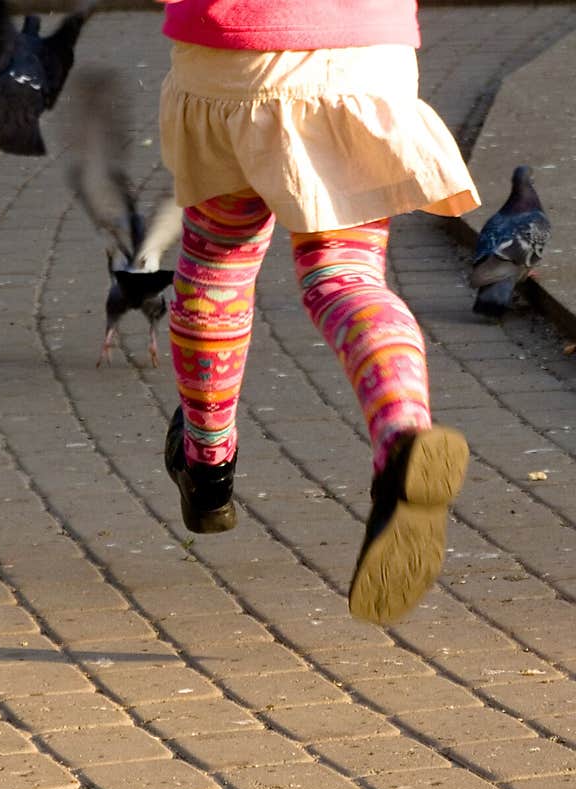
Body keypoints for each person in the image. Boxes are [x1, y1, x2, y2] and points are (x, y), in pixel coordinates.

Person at [152, 0, 478, 626]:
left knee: (218, 262)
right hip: (365, 59)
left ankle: (207, 462)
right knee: (345, 275)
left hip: (233, 59)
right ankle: (403, 437)